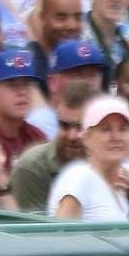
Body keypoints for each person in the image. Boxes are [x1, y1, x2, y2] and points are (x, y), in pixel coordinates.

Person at [10, 81, 95, 213]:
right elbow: (35, 231)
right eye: (64, 125)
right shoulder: (32, 167)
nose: (71, 136)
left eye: (80, 127)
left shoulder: (108, 164)